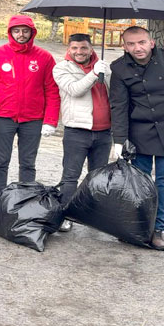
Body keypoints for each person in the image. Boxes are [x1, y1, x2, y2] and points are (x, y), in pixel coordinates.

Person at [109, 26, 164, 250]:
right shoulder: (119, 68)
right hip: (140, 132)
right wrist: (119, 140)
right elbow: (119, 105)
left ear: (151, 42)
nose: (137, 48)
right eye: (131, 44)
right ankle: (138, 227)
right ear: (124, 46)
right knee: (140, 182)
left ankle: (158, 229)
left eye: (141, 42)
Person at [0, 15, 60, 202]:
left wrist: (51, 121)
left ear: (32, 32)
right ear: (10, 32)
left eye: (25, 31)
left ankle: (26, 201)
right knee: (0, 162)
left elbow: (52, 91)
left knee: (28, 164)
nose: (21, 35)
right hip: (3, 117)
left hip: (33, 119)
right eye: (16, 31)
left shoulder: (44, 57)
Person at [52, 33, 111, 232]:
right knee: (70, 176)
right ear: (69, 49)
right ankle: (64, 215)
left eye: (84, 48)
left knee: (97, 177)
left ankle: (91, 214)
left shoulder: (104, 67)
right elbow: (75, 89)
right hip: (77, 131)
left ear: (91, 48)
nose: (79, 52)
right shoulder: (61, 68)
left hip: (104, 132)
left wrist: (103, 72)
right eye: (75, 48)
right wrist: (94, 74)